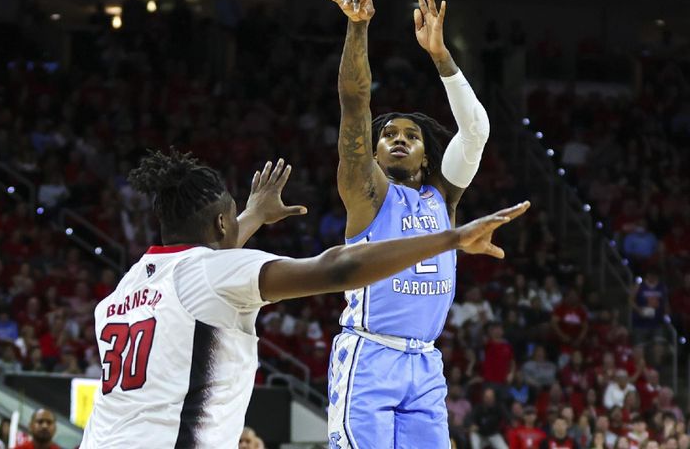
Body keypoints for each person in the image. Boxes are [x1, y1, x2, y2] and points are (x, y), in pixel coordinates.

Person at [79, 149, 528, 448]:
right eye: (232, 219)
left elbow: (206, 269)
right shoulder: (212, 273)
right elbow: (340, 267)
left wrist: (252, 213)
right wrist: (451, 237)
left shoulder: (132, 284)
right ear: (220, 225)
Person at [322, 0, 491, 448]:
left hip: (425, 363)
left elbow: (475, 131)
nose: (399, 138)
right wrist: (358, 30)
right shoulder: (367, 195)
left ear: (424, 157)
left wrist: (441, 56)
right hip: (370, 354)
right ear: (372, 153)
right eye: (389, 134)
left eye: (412, 135)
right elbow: (355, 104)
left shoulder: (444, 198)